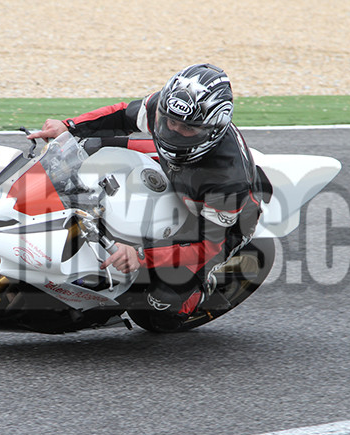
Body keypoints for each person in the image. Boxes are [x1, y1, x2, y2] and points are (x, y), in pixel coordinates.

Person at [28, 63, 268, 319]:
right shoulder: (163, 110)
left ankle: (201, 291)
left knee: (158, 304)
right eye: (169, 122)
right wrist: (69, 127)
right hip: (178, 169)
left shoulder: (229, 179)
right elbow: (122, 115)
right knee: (88, 145)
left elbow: (207, 243)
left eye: (187, 129)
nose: (174, 132)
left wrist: (140, 255)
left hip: (219, 223)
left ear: (213, 131)